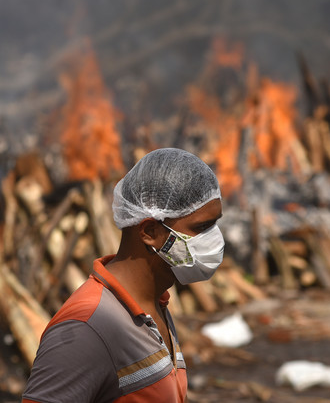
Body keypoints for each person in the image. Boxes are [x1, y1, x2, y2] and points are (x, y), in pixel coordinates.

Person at [22, 148, 225, 403]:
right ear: (150, 231)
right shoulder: (87, 326)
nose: (215, 239)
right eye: (202, 228)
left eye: (214, 224)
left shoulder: (155, 304)